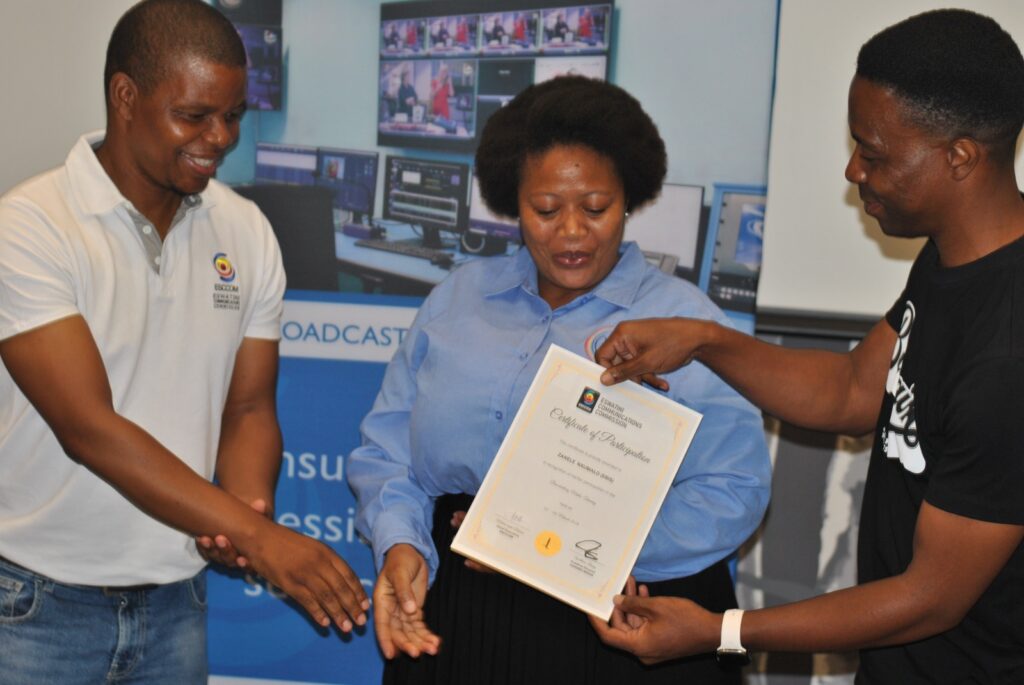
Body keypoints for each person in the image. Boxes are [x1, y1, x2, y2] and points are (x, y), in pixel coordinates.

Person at [589, 9, 1024, 684]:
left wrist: (719, 632)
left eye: (874, 155)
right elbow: (851, 390)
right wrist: (702, 340)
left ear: (960, 157)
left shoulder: (1007, 357)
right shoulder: (953, 257)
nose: (853, 171)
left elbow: (930, 598)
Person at [348, 75, 771, 685]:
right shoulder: (458, 299)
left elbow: (735, 489)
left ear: (629, 200)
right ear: (513, 205)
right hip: (461, 608)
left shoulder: (685, 324)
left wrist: (563, 552)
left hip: (620, 618)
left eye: (596, 208)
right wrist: (401, 543)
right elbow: (388, 452)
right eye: (545, 210)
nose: (572, 232)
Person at [0, 1, 368, 683]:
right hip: (33, 608)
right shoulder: (31, 225)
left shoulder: (246, 230)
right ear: (125, 97)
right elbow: (88, 427)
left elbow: (248, 408)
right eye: (194, 115)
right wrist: (260, 537)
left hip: (176, 603)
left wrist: (244, 513)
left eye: (233, 115)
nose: (220, 137)